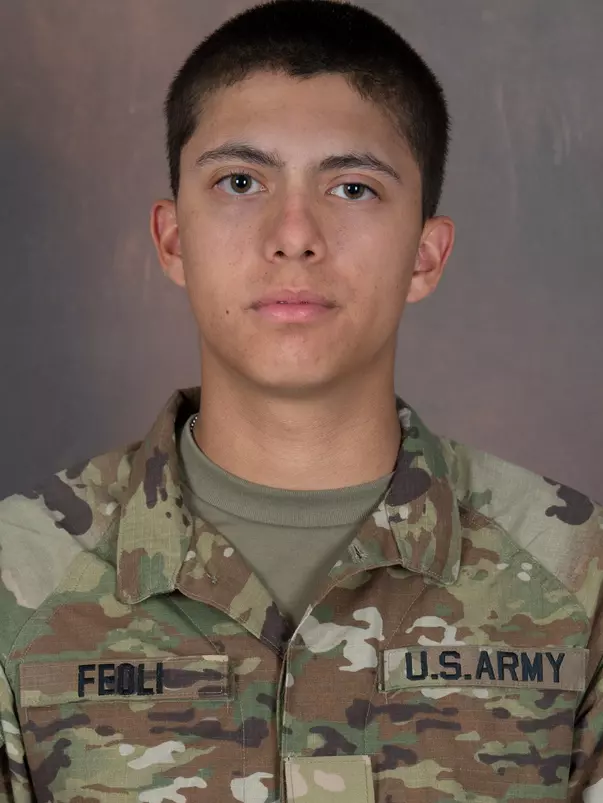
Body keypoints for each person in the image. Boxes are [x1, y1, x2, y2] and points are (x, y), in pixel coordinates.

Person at [0, 0, 601, 800]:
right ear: (172, 238)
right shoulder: (20, 577)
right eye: (240, 181)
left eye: (352, 188)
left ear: (425, 254)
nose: (293, 233)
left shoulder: (578, 577)